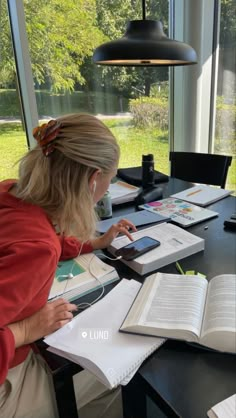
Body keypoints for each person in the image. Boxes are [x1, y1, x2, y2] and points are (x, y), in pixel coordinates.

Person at [0, 113, 137, 418]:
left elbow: (43, 232)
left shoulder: (12, 192)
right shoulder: (37, 250)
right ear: (91, 182)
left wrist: (96, 243)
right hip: (8, 373)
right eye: (108, 182)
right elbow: (36, 245)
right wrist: (25, 330)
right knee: (107, 379)